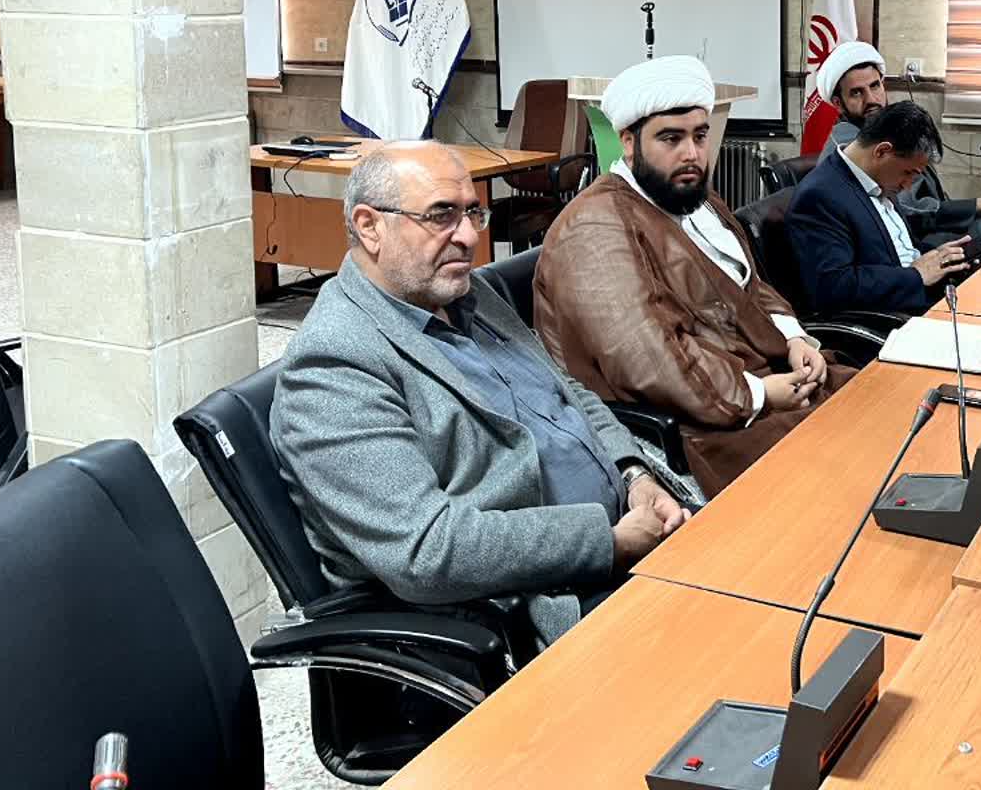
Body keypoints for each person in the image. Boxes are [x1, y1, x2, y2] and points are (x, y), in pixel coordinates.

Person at [271, 140, 693, 650]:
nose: (470, 236)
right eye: (441, 215)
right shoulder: (334, 365)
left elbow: (567, 394)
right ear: (369, 226)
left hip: (632, 533)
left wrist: (633, 474)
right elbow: (427, 550)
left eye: (473, 212)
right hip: (549, 602)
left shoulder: (465, 293)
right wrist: (608, 543)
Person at [536, 56, 853, 497]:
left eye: (699, 136)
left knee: (886, 408)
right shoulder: (594, 227)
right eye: (671, 138)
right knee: (850, 474)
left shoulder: (696, 199)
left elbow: (752, 286)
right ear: (628, 142)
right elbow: (647, 359)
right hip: (706, 424)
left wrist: (796, 340)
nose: (692, 153)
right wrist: (760, 394)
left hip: (769, 380)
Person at [817, 41, 981, 255]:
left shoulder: (884, 129)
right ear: (838, 103)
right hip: (904, 239)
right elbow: (908, 209)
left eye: (875, 86)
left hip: (927, 226)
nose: (871, 99)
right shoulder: (851, 146)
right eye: (857, 93)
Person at [788, 100, 973, 317]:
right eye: (908, 173)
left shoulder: (878, 178)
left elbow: (897, 250)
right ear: (882, 151)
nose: (908, 185)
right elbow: (833, 287)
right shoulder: (819, 197)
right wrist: (917, 275)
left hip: (922, 295)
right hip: (892, 317)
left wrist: (939, 256)